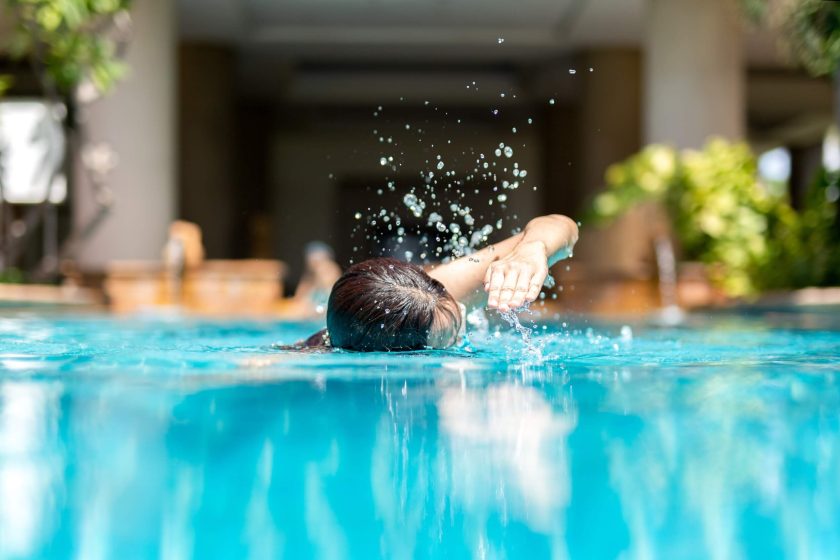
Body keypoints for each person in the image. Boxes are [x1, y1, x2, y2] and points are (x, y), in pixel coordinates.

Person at [300, 214, 578, 351]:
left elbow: (562, 225)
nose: (461, 331)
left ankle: (321, 263)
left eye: (457, 311)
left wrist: (532, 248)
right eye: (450, 337)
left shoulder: (435, 290)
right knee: (318, 293)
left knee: (329, 282)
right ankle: (320, 266)